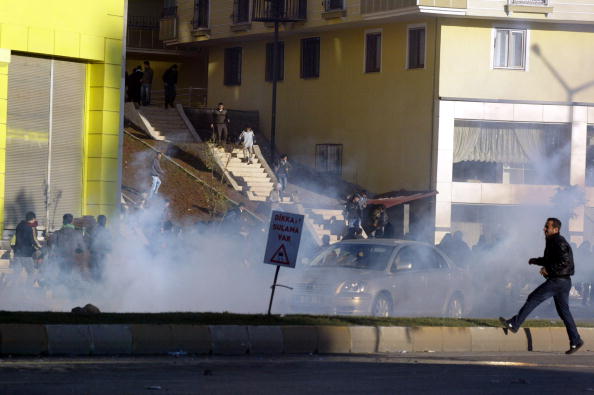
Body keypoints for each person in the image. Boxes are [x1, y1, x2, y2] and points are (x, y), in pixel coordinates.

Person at [499, 218, 584, 354]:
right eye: (545, 226)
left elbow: (565, 262)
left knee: (533, 298)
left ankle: (514, 324)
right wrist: (535, 261)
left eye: (547, 227)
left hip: (557, 281)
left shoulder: (558, 241)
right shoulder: (552, 241)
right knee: (564, 312)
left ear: (555, 229)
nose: (544, 229)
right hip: (563, 282)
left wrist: (549, 270)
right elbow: (549, 260)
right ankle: (576, 341)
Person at [88, 215, 111, 280]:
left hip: (95, 255)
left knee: (95, 273)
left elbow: (89, 243)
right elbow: (110, 245)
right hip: (101, 255)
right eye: (104, 220)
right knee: (101, 272)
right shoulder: (107, 232)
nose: (105, 222)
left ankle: (96, 286)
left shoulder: (92, 231)